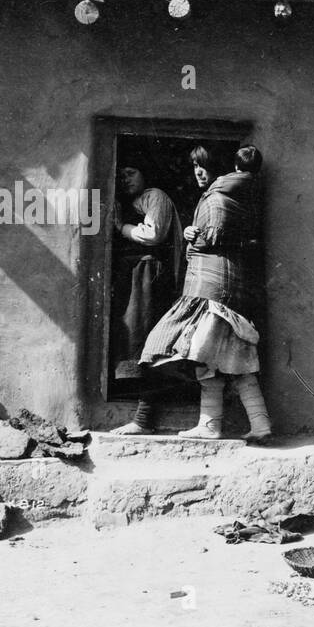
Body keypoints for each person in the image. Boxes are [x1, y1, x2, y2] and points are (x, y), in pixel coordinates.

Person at [138, 144, 274, 444]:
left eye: (203, 165)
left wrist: (192, 240)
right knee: (224, 354)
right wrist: (192, 231)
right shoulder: (244, 191)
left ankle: (209, 425)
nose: (198, 171)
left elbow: (211, 237)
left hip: (208, 286)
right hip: (230, 285)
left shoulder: (217, 196)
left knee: (165, 344)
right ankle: (254, 424)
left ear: (219, 167)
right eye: (194, 166)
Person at [107, 161, 184, 435]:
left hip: (148, 276)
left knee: (145, 341)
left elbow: (153, 234)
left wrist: (121, 227)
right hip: (132, 277)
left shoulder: (155, 196)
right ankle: (141, 415)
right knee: (130, 341)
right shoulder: (125, 201)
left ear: (145, 173)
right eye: (121, 176)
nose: (125, 179)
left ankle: (144, 418)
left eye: (131, 171)